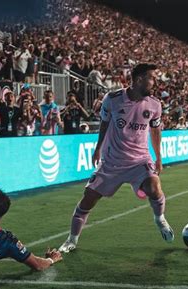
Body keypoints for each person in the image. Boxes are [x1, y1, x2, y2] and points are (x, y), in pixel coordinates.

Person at [59, 64, 174, 253]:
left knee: (154, 188)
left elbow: (155, 129)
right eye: (152, 78)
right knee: (88, 199)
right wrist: (98, 149)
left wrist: (158, 157)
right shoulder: (112, 99)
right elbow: (104, 123)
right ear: (139, 80)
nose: (155, 83)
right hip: (112, 161)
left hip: (140, 160)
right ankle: (72, 240)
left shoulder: (155, 104)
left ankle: (159, 218)